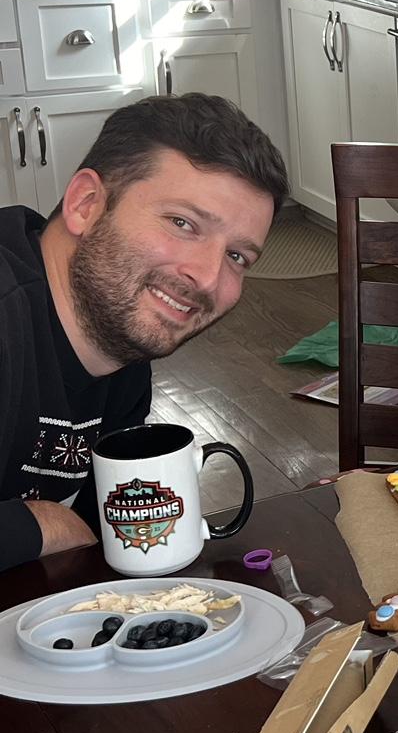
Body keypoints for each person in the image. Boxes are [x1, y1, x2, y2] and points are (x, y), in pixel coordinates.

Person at [0, 93, 287, 573]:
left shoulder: (120, 354)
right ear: (87, 204)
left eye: (237, 256)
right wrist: (40, 523)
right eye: (182, 223)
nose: (208, 277)